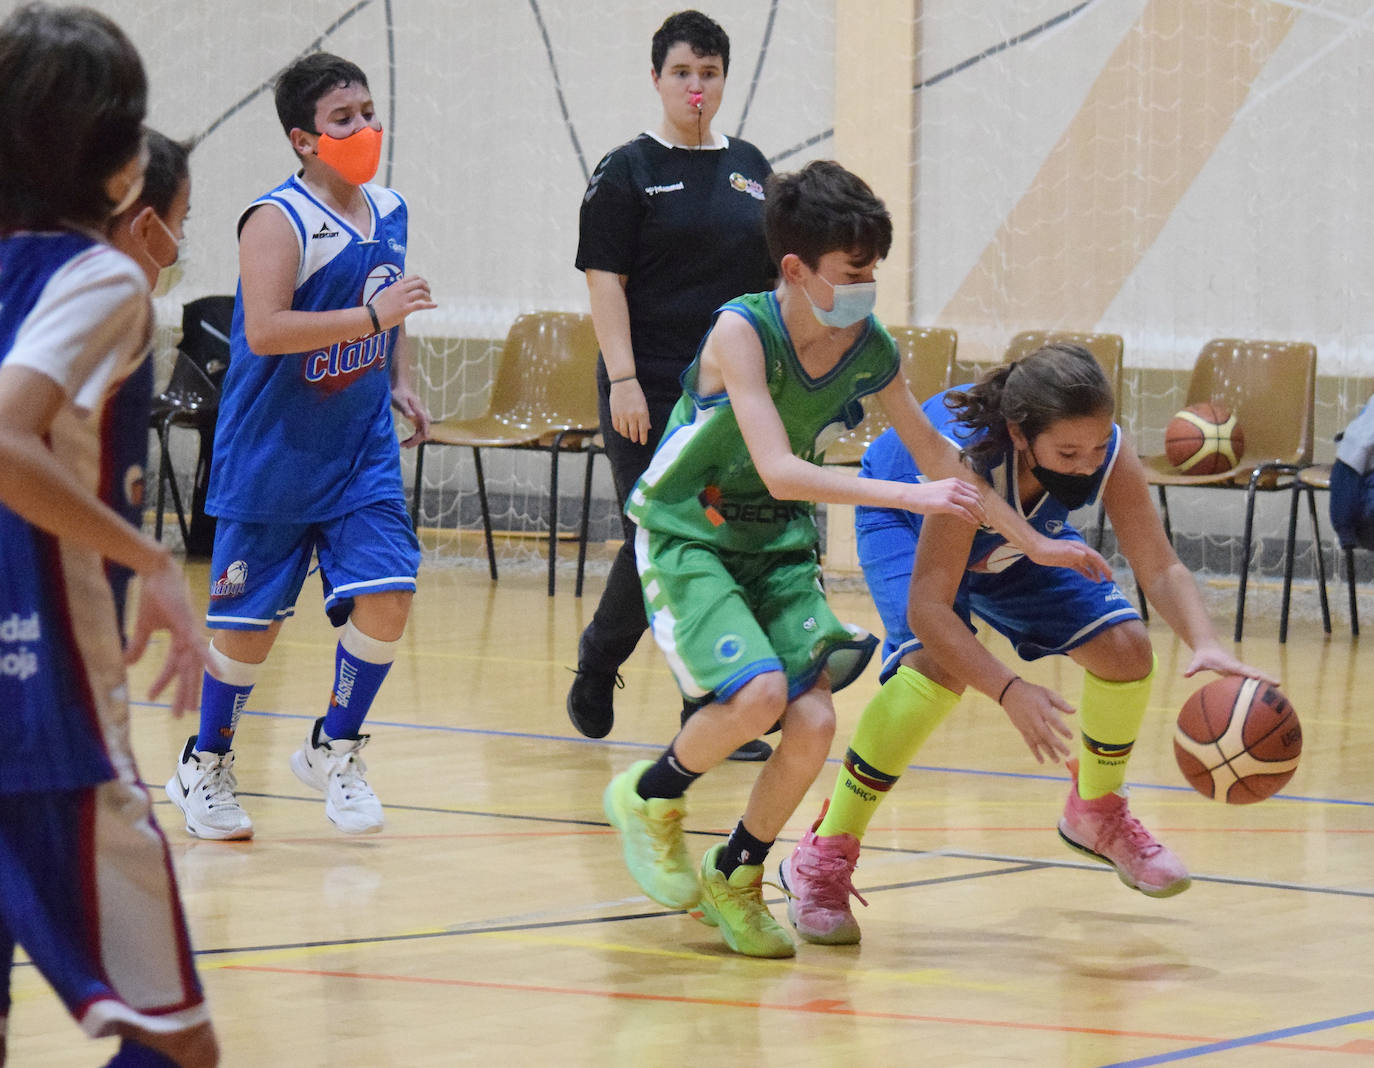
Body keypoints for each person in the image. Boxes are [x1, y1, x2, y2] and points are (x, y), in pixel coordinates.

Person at [601, 162, 1113, 958]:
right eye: (853, 272)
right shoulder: (741, 333)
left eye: (874, 270)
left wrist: (1035, 538)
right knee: (760, 693)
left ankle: (736, 871)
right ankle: (649, 795)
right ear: (797, 270)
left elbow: (939, 454)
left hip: (771, 539)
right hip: (689, 529)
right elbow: (778, 465)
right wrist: (909, 499)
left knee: (812, 722)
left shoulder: (870, 347)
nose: (868, 286)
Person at [781, 343, 1279, 947]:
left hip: (1012, 541)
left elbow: (1157, 563)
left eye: (1095, 448)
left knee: (1126, 648)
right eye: (1067, 452)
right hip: (909, 521)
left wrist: (1206, 642)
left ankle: (1095, 812)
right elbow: (930, 609)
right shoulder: (971, 461)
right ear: (1021, 435)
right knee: (935, 667)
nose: (1085, 464)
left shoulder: (1102, 451)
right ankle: (823, 854)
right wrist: (1009, 690)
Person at [0, 5, 218, 1066]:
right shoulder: (102, 281)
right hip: (48, 732)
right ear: (119, 159)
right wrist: (151, 564)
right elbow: (5, 435)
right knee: (177, 1046)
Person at [165, 52, 435, 840]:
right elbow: (267, 329)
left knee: (390, 596)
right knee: (247, 633)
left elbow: (390, 303)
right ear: (303, 139)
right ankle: (204, 763)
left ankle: (336, 745)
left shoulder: (391, 209)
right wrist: (374, 322)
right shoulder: (275, 219)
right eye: (342, 119)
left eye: (368, 112)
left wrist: (397, 379)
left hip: (359, 449)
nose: (362, 128)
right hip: (274, 452)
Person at [567, 10, 776, 760]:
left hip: (728, 391)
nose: (697, 86)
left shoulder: (753, 168)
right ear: (658, 78)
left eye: (710, 73)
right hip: (648, 383)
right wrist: (622, 377)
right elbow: (604, 280)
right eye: (683, 72)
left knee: (716, 535)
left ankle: (708, 697)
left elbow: (769, 289)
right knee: (655, 532)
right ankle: (604, 661)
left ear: (725, 80)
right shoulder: (626, 169)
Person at [103, 129, 192, 634]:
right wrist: (148, 557)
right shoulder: (110, 298)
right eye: (182, 221)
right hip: (46, 597)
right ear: (146, 222)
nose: (180, 242)